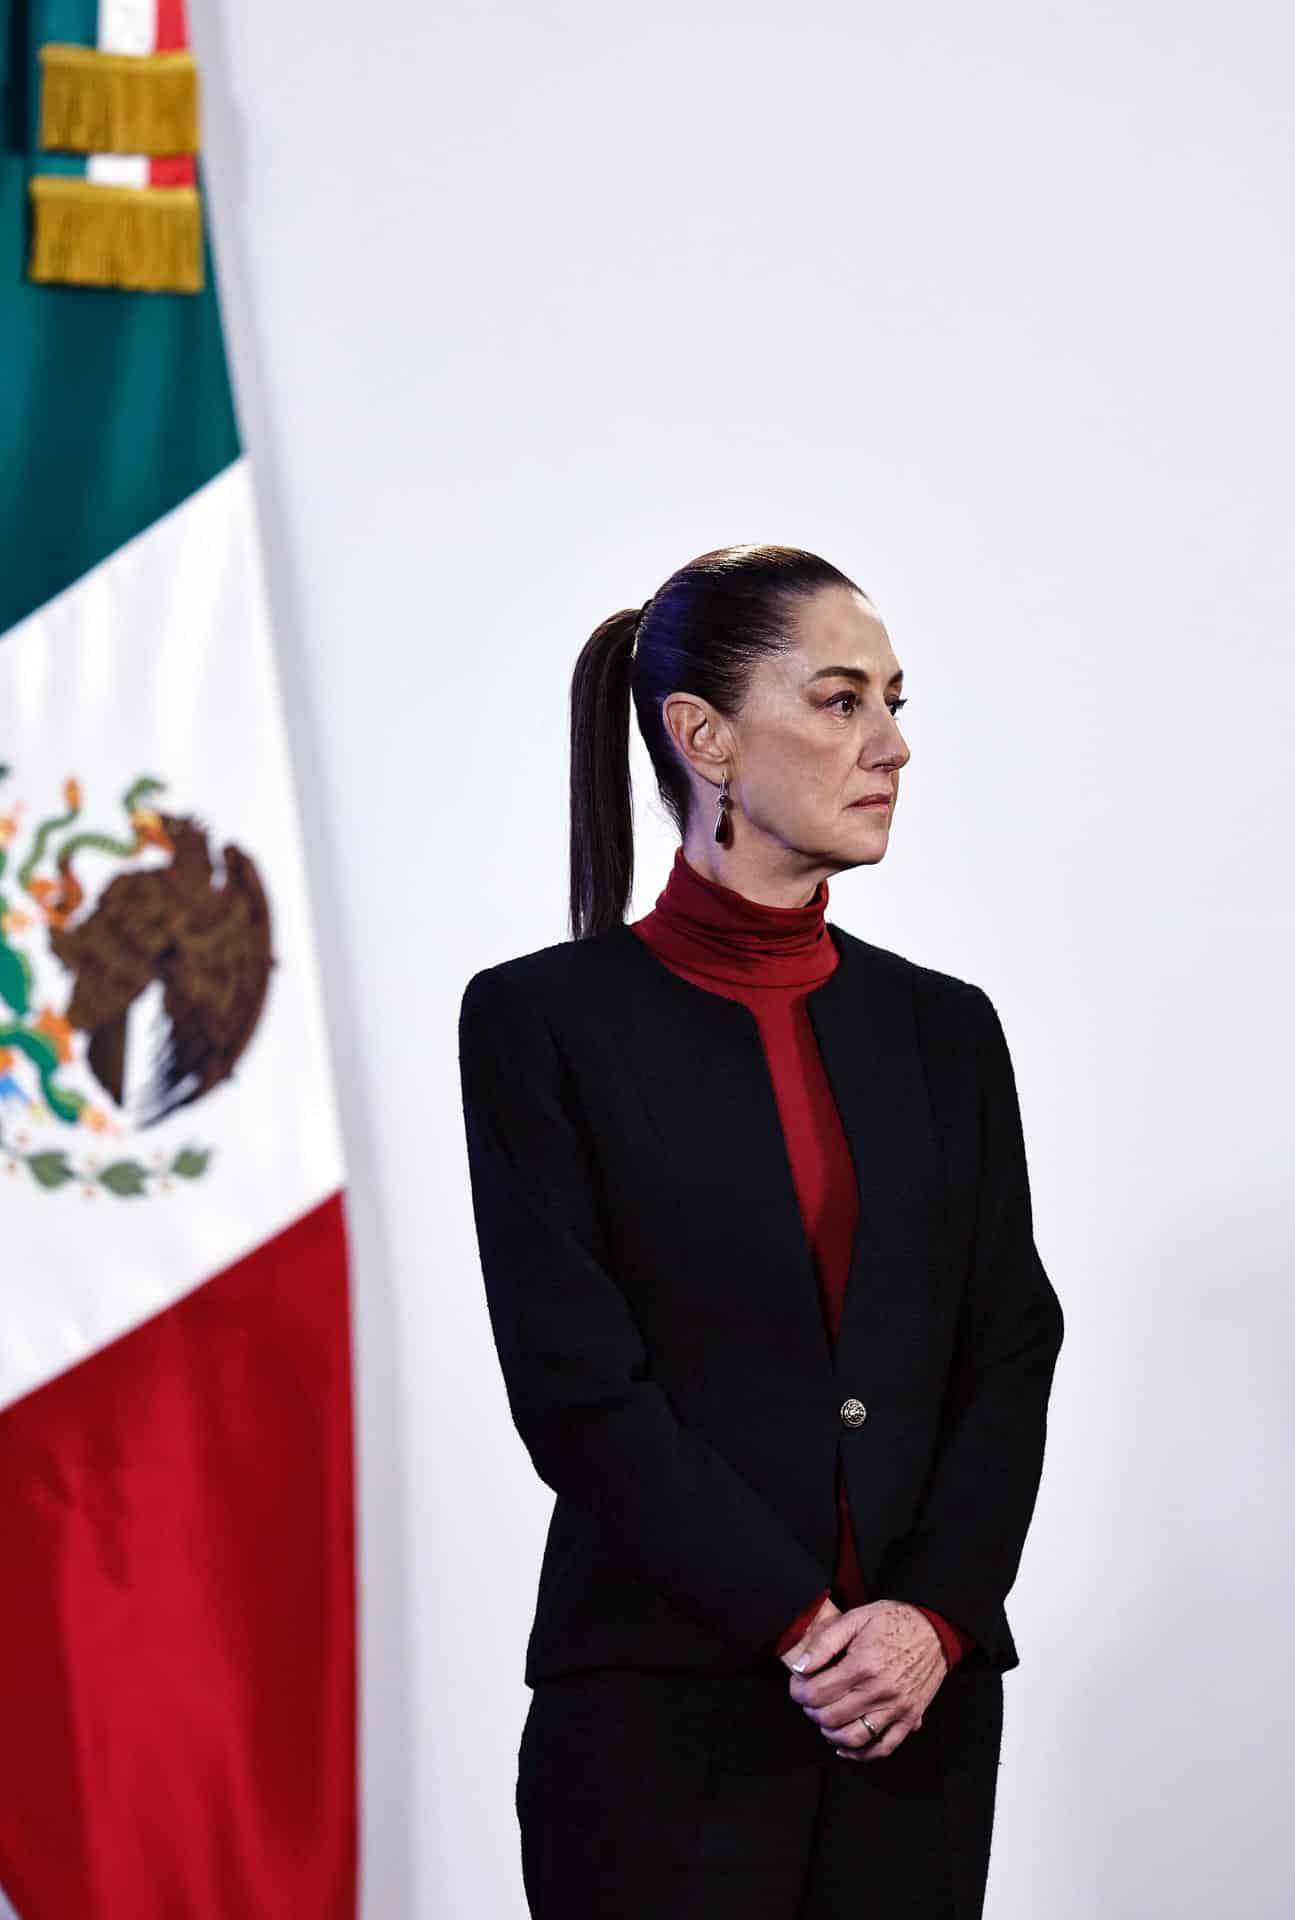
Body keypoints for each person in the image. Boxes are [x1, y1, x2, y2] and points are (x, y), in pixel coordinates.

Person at [457, 543, 1065, 1919]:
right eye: (842, 700)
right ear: (703, 735)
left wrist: (931, 1624)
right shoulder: (544, 1024)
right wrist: (803, 1632)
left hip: (920, 1720)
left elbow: (1010, 1347)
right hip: (661, 1719)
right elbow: (578, 1387)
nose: (893, 745)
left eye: (895, 702)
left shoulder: (944, 1032)